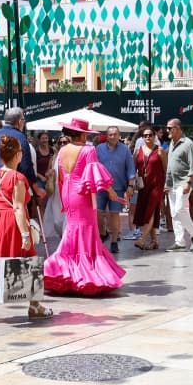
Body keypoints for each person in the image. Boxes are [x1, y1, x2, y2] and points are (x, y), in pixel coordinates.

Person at [0, 136, 52, 323]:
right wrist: (25, 233)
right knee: (27, 258)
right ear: (17, 155)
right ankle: (35, 305)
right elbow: (17, 208)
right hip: (11, 222)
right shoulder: (17, 178)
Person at [43, 118, 125, 294]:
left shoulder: (62, 150)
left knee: (72, 230)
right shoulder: (88, 150)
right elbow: (95, 175)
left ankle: (64, 273)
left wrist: (64, 198)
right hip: (82, 195)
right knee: (86, 230)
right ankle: (86, 276)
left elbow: (60, 178)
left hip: (67, 192)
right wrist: (111, 192)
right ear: (82, 134)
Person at [94, 127, 135, 255]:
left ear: (119, 135)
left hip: (118, 186)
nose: (113, 136)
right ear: (107, 136)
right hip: (100, 186)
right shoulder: (99, 149)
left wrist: (130, 186)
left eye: (115, 134)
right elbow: (94, 166)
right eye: (110, 134)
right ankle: (103, 233)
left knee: (114, 214)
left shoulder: (125, 150)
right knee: (98, 213)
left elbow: (130, 168)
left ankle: (113, 242)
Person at [164, 119, 193, 251]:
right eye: (167, 128)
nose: (167, 130)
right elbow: (169, 166)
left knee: (179, 209)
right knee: (174, 213)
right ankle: (179, 242)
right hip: (172, 183)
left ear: (178, 128)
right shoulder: (172, 144)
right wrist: (167, 183)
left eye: (170, 128)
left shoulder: (188, 144)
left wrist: (189, 182)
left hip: (183, 182)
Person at [132, 127, 166, 250]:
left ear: (154, 136)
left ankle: (142, 239)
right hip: (143, 185)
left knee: (150, 210)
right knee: (151, 211)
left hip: (157, 184)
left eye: (150, 135)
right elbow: (133, 168)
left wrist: (167, 184)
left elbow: (166, 168)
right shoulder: (138, 151)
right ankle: (155, 241)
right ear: (142, 137)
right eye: (145, 135)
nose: (148, 137)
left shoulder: (160, 151)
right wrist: (131, 183)